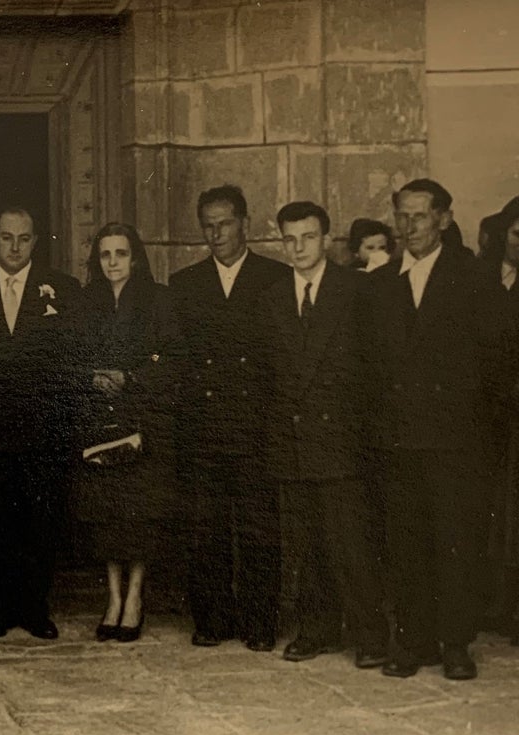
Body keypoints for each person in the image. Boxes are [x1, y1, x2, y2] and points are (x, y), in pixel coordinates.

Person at [364, 178, 515, 680]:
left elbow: (497, 366)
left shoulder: (474, 279)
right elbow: (371, 366)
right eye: (402, 217)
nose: (410, 227)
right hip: (399, 441)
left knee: (455, 543)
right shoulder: (382, 284)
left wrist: (479, 438)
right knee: (406, 544)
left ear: (445, 220)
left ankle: (455, 642)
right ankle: (414, 640)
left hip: (457, 443)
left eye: (421, 216)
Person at [260, 202, 389, 667]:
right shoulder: (274, 297)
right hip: (293, 439)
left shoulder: (356, 290)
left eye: (308, 237)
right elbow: (271, 372)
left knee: (352, 544)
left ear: (327, 239)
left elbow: (374, 365)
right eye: (290, 239)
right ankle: (316, 629)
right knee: (307, 544)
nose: (299, 248)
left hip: (343, 439)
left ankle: (371, 634)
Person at [168, 185, 290, 651]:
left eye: (224, 224)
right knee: (206, 530)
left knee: (260, 530)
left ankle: (260, 623)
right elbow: (179, 358)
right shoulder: (185, 284)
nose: (216, 234)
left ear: (245, 224)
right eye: (207, 226)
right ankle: (213, 619)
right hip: (203, 425)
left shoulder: (274, 278)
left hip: (256, 427)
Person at [0, 205, 80, 640]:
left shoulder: (62, 290)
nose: (14, 246)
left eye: (24, 238)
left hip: (41, 427)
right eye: (7, 237)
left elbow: (71, 356)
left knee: (39, 521)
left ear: (35, 241)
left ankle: (34, 608)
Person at [73, 223, 180, 643]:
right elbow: (70, 354)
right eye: (105, 255)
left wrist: (132, 376)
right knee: (107, 516)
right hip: (100, 420)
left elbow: (173, 358)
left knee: (139, 517)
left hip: (144, 421)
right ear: (97, 261)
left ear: (135, 258)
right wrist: (92, 377)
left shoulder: (159, 300)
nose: (113, 262)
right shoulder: (85, 304)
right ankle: (113, 597)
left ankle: (134, 597)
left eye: (121, 253)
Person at [480, 196, 519, 642]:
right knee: (494, 513)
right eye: (516, 234)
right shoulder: (482, 280)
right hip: (490, 415)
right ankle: (494, 604)